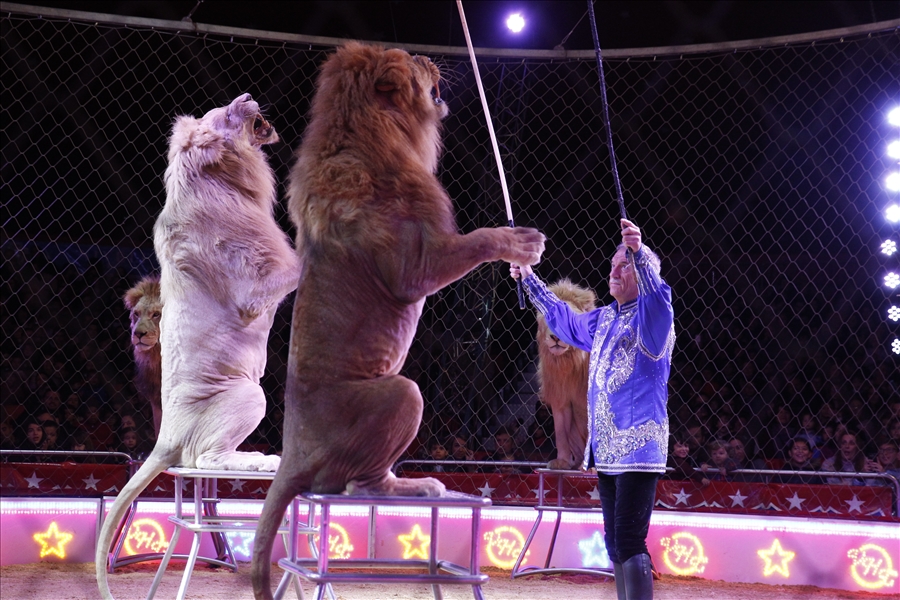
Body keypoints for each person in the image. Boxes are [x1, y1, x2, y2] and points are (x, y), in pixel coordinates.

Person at [511, 218, 673, 600]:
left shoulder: (652, 319)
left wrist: (640, 254)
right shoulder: (605, 319)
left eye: (624, 266)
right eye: (613, 265)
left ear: (642, 274)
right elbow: (564, 320)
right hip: (608, 452)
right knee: (615, 542)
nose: (613, 272)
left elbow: (659, 296)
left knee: (630, 539)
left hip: (638, 450)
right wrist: (529, 278)